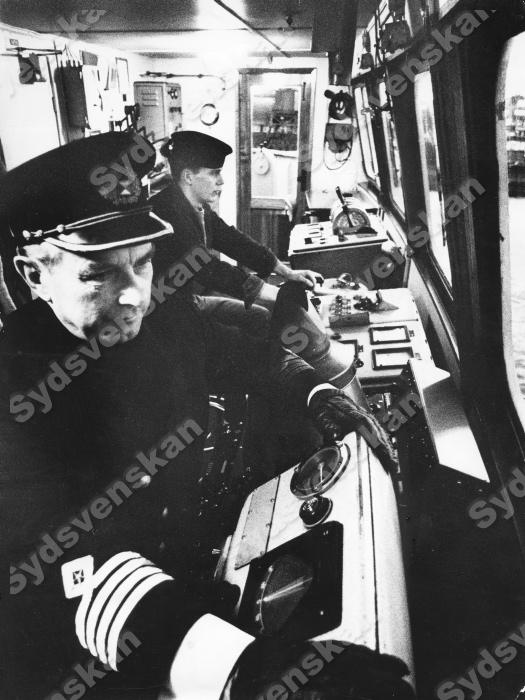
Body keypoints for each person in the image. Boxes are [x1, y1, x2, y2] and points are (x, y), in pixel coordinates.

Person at [0, 132, 399, 700]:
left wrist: (315, 393)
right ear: (34, 274)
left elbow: (237, 353)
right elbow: (67, 568)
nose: (134, 295)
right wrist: (241, 669)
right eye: (98, 275)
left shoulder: (159, 317)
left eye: (142, 263)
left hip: (185, 563)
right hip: (98, 650)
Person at [150, 130, 322, 337]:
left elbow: (233, 240)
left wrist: (286, 272)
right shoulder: (167, 212)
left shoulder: (197, 208)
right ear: (188, 176)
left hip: (189, 300)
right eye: (214, 173)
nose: (221, 181)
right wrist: (276, 294)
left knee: (261, 317)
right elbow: (206, 267)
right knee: (247, 340)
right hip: (167, 314)